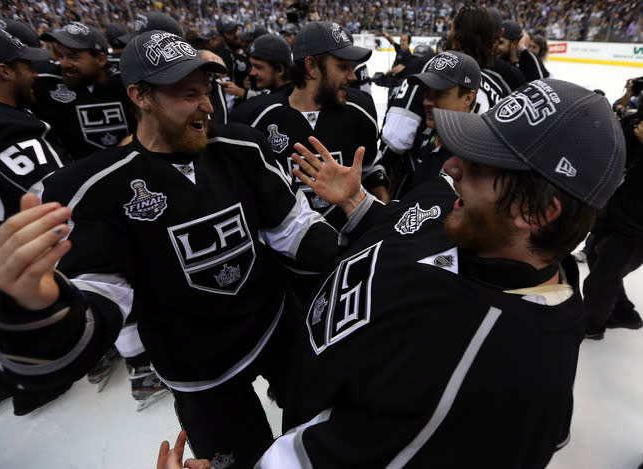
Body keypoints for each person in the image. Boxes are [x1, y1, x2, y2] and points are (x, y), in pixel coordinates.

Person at [162, 78, 627, 468]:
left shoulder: (500, 374)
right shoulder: (466, 213)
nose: (451, 166)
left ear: (538, 212)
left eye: (484, 163)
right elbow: (405, 229)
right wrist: (356, 203)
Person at [0, 30, 346, 469]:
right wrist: (40, 308)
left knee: (316, 440)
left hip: (275, 330)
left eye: (208, 92)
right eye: (188, 94)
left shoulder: (242, 148)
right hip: (198, 370)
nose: (208, 106)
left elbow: (291, 228)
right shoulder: (94, 189)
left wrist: (361, 246)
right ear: (139, 96)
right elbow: (103, 296)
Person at [0, 26, 70, 417]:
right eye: (24, 66)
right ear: (4, 71)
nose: (34, 74)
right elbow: (58, 202)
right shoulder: (9, 128)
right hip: (24, 272)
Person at [230, 21, 389, 215]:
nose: (352, 76)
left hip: (354, 240)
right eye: (342, 66)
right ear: (312, 66)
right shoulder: (252, 118)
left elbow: (369, 166)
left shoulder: (361, 109)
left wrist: (380, 189)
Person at [381, 51, 480, 198]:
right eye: (426, 93)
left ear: (468, 98)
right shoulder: (428, 139)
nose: (427, 102)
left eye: (439, 94)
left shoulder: (474, 160)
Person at [32, 22, 133, 159]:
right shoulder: (44, 81)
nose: (64, 64)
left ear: (101, 59)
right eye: (61, 56)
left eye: (74, 57)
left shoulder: (128, 78)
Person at [583, 121, 643, 339]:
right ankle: (623, 312)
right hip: (615, 212)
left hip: (634, 228)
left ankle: (591, 326)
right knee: (595, 259)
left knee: (602, 280)